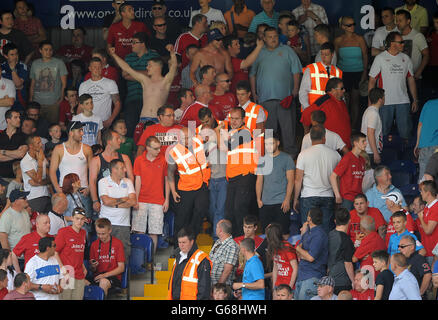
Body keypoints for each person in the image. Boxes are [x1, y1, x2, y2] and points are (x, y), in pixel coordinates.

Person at [249, 27, 302, 157]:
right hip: (265, 97)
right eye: (270, 37)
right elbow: (252, 74)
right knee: (268, 129)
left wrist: (295, 89)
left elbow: (296, 71)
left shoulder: (287, 50)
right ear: (264, 39)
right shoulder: (259, 52)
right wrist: (254, 92)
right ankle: (269, 154)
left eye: (275, 36)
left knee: (288, 128)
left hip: (285, 97)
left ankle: (291, 153)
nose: (273, 39)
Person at [109, 45, 177, 130]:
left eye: (149, 65)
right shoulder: (145, 80)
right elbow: (127, 68)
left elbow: (173, 67)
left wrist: (172, 53)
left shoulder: (165, 81)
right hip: (143, 119)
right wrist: (114, 55)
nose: (147, 67)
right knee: (141, 143)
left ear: (158, 67)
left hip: (159, 120)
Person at [368, 31, 418, 140]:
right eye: (401, 42)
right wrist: (371, 101)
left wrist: (415, 99)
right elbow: (372, 81)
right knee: (383, 132)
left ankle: (407, 154)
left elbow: (411, 80)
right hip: (384, 101)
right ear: (392, 43)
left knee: (406, 134)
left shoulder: (406, 58)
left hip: (403, 101)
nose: (403, 44)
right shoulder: (380, 58)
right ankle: (383, 155)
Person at [294, 125, 341, 233]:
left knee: (308, 229)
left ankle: (307, 250)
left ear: (310, 138)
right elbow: (337, 178)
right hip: (328, 196)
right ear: (324, 137)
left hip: (308, 196)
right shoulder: (335, 154)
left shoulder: (303, 154)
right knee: (326, 230)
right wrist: (337, 195)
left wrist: (296, 198)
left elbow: (298, 179)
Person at [220, 107, 258, 237]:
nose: (234, 121)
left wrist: (219, 131)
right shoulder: (233, 133)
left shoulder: (245, 133)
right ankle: (235, 240)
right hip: (234, 177)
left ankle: (243, 240)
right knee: (229, 211)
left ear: (243, 119)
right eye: (232, 118)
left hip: (245, 175)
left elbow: (224, 147)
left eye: (237, 118)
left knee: (239, 210)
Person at [167, 126, 210, 242]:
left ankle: (192, 239)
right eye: (185, 138)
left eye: (190, 137)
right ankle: (178, 244)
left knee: (201, 210)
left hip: (202, 185)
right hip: (185, 189)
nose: (188, 140)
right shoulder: (174, 152)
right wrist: (173, 191)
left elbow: (211, 136)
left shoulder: (198, 140)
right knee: (182, 218)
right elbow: (170, 174)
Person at [132, 135, 169, 253]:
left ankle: (151, 261)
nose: (159, 151)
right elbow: (137, 180)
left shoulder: (163, 159)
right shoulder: (139, 160)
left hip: (158, 200)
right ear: (147, 148)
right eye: (155, 148)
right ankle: (140, 258)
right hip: (141, 199)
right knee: (139, 230)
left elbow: (167, 180)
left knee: (155, 231)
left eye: (159, 148)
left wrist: (167, 199)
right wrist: (135, 199)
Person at [49, 121, 93, 219]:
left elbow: (92, 171)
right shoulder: (59, 149)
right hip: (65, 191)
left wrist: (89, 187)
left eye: (82, 130)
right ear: (71, 132)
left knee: (85, 223)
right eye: (80, 131)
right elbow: (52, 171)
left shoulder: (87, 149)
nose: (82, 133)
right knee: (66, 222)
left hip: (83, 191)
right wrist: (57, 188)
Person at [256, 132, 295, 237]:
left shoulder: (286, 158)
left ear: (277, 143)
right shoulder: (262, 159)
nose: (268, 146)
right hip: (265, 203)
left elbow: (291, 180)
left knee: (284, 234)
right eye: (266, 144)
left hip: (281, 203)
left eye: (271, 143)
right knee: (266, 235)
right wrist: (258, 199)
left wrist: (287, 199)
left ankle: (284, 254)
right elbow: (259, 180)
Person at [123, 32, 160, 137]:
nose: (132, 45)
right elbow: (124, 75)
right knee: (130, 128)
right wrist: (145, 74)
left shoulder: (153, 56)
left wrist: (132, 72)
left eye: (135, 42)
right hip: (132, 98)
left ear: (143, 44)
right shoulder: (128, 57)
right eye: (132, 42)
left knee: (150, 129)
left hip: (150, 99)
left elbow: (154, 74)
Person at [89, 129, 134, 215]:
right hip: (105, 203)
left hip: (123, 203)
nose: (120, 141)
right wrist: (95, 201)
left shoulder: (125, 158)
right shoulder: (96, 160)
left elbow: (131, 178)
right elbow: (92, 182)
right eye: (117, 139)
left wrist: (130, 197)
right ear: (109, 142)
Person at [334, 16, 368, 130]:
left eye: (353, 24)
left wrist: (364, 73)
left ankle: (353, 126)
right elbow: (336, 59)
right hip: (344, 74)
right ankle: (345, 124)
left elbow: (365, 56)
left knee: (355, 100)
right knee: (345, 101)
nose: (352, 27)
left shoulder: (360, 39)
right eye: (349, 25)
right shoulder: (338, 41)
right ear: (343, 27)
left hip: (358, 73)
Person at [98, 159, 136, 259]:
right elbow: (106, 201)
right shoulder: (103, 181)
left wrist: (114, 204)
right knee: (105, 253)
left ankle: (124, 275)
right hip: (106, 223)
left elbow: (133, 201)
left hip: (123, 224)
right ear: (114, 170)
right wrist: (123, 199)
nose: (125, 170)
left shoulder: (128, 181)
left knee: (123, 253)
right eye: (122, 168)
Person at [301, 78, 352, 149]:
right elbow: (305, 115)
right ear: (333, 90)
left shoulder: (341, 101)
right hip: (331, 149)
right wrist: (308, 136)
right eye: (342, 88)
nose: (344, 90)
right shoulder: (324, 100)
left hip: (343, 148)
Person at [29, 40, 68, 125]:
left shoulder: (59, 63)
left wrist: (61, 98)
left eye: (50, 50)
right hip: (37, 102)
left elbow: (64, 83)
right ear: (40, 50)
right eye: (46, 49)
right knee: (37, 126)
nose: (48, 52)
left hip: (53, 103)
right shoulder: (35, 63)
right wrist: (31, 99)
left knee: (53, 127)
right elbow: (32, 83)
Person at [168, 228, 212, 300]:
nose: (181, 245)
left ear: (191, 242)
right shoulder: (178, 257)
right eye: (179, 242)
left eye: (184, 242)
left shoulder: (201, 259)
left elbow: (204, 289)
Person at [294, 208, 328, 300]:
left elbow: (310, 257)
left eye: (308, 216)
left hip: (312, 276)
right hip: (301, 276)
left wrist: (298, 249)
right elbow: (298, 254)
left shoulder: (319, 234)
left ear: (309, 218)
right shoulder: (308, 233)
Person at [55, 207, 87, 300]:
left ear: (85, 220)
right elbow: (55, 252)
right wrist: (63, 271)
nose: (79, 221)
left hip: (80, 274)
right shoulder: (64, 232)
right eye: (77, 218)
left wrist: (83, 267)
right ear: (72, 218)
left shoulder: (83, 233)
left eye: (82, 219)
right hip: (68, 274)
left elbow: (79, 253)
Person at [79, 57, 120, 129]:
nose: (97, 69)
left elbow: (117, 103)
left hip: (104, 122)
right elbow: (80, 106)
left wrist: (110, 120)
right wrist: (79, 122)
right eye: (94, 67)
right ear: (90, 68)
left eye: (99, 67)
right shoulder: (83, 85)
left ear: (102, 68)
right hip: (88, 123)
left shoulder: (110, 83)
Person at [299, 42, 342, 111]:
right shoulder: (311, 69)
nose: (323, 57)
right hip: (313, 110)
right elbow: (303, 92)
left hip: (330, 110)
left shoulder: (338, 72)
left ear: (332, 55)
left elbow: (340, 94)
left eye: (326, 54)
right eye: (322, 54)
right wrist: (308, 109)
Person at [88, 218, 125, 297]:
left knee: (103, 282)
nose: (100, 236)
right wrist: (93, 266)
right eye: (98, 233)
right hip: (98, 276)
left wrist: (105, 275)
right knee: (81, 282)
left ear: (110, 230)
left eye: (103, 234)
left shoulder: (118, 243)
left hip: (113, 277)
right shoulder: (94, 244)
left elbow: (121, 268)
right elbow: (92, 269)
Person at [330, 132, 367, 211]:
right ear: (355, 143)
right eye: (363, 141)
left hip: (359, 198)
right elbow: (333, 176)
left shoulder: (362, 160)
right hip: (347, 198)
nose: (366, 143)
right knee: (346, 222)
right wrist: (337, 195)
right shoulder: (347, 158)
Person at [20, 134, 51, 214]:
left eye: (41, 142)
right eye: (38, 143)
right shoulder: (25, 161)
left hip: (47, 195)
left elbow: (50, 178)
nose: (41, 145)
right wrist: (40, 162)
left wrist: (39, 183)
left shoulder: (41, 156)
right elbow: (38, 179)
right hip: (34, 198)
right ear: (31, 146)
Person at [396, 9, 429, 81]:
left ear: (408, 21)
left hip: (414, 78)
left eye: (400, 20)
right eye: (397, 20)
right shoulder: (396, 36)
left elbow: (426, 55)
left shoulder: (417, 36)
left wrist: (418, 73)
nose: (397, 23)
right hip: (400, 78)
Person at [328, 208, 355, 294]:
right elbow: (348, 263)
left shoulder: (329, 235)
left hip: (330, 279)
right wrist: (353, 281)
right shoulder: (346, 239)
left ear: (335, 221)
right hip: (343, 281)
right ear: (349, 221)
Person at [266, 223, 298, 294]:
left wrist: (290, 288)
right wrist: (274, 287)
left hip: (288, 284)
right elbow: (275, 268)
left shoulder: (287, 247)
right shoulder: (274, 248)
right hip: (278, 285)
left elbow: (295, 268)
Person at [399, 234, 432, 299]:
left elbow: (428, 274)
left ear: (412, 247)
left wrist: (420, 293)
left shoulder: (419, 258)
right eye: (399, 246)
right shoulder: (404, 259)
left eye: (402, 246)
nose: (399, 248)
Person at [209, 219, 239, 287]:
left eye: (216, 227)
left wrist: (217, 288)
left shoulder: (232, 246)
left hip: (223, 289)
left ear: (220, 230)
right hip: (211, 285)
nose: (215, 229)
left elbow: (227, 271)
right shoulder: (217, 242)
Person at [415, 97, 438, 181]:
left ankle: (422, 194)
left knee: (423, 178)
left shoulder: (428, 104)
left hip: (424, 145)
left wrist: (417, 143)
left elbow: (420, 124)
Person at [361, 87, 385, 168]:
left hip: (368, 150)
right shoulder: (373, 114)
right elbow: (370, 133)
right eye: (384, 97)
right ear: (380, 99)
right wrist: (375, 153)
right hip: (370, 152)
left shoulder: (369, 110)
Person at [0, 110, 28, 179]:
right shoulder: (1, 136)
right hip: (1, 176)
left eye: (19, 117)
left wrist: (3, 152)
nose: (19, 119)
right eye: (15, 117)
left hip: (18, 177)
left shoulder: (24, 136)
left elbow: (21, 154)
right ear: (8, 120)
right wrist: (16, 154)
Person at [417, 180, 438, 264]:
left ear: (428, 193)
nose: (421, 193)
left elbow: (428, 231)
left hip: (433, 252)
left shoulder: (436, 207)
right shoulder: (427, 206)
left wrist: (421, 218)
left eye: (422, 191)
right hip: (426, 250)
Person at [0, 43, 25, 112]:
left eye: (16, 54)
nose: (15, 57)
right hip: (5, 101)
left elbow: (18, 84)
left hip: (19, 102)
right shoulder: (1, 67)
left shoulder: (22, 66)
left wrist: (13, 69)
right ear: (5, 56)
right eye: (12, 54)